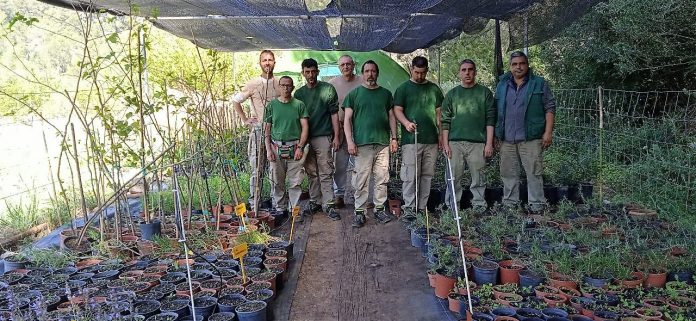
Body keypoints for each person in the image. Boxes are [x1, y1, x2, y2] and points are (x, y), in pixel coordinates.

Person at [494, 51, 556, 213]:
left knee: (534, 173)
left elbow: (550, 108)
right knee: (508, 174)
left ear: (527, 65)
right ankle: (510, 205)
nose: (518, 67)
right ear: (510, 67)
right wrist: (496, 134)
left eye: (521, 63)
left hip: (531, 138)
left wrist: (548, 132)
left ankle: (537, 206)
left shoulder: (539, 83)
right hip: (507, 139)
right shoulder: (502, 84)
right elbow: (496, 110)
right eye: (514, 64)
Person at [343, 60, 398, 228]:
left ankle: (379, 209)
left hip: (382, 143)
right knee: (361, 179)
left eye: (373, 71)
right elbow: (347, 120)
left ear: (377, 73)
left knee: (382, 178)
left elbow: (391, 117)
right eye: (367, 71)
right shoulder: (354, 95)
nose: (370, 74)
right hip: (362, 145)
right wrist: (350, 141)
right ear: (362, 73)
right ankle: (360, 212)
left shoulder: (386, 94)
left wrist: (394, 138)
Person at [393, 56, 444, 220]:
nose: (420, 76)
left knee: (427, 174)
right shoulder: (403, 89)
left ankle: (422, 207)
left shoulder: (434, 89)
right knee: (410, 175)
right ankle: (409, 207)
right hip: (411, 140)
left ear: (427, 70)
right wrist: (406, 123)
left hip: (431, 140)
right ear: (411, 70)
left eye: (423, 73)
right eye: (416, 72)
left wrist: (441, 135)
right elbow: (397, 110)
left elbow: (439, 114)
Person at [442, 59, 495, 213]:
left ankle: (479, 206)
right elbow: (445, 122)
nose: (467, 73)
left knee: (478, 177)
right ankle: (452, 207)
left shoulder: (484, 93)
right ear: (459, 73)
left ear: (475, 72)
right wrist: (445, 144)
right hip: (454, 143)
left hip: (478, 143)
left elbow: (490, 119)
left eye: (470, 69)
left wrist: (489, 143)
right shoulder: (452, 95)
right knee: (453, 178)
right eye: (464, 70)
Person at [231, 50, 280, 211]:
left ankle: (277, 204)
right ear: (260, 63)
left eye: (270, 60)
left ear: (274, 62)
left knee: (275, 168)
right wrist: (245, 119)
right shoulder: (253, 84)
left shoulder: (280, 83)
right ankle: (255, 203)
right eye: (264, 60)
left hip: (277, 132)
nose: (267, 63)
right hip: (259, 130)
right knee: (257, 168)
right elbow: (236, 101)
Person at [294, 58, 341, 221]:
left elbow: (334, 114)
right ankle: (315, 201)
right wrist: (299, 143)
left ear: (318, 72)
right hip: (305, 139)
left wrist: (337, 135)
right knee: (311, 171)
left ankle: (328, 204)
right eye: (307, 72)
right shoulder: (299, 94)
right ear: (303, 73)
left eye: (313, 71)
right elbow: (297, 118)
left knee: (326, 170)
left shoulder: (327, 89)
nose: (311, 75)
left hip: (323, 135)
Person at [263, 76, 309, 216]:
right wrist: (268, 149)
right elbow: (267, 129)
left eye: (288, 85)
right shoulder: (271, 106)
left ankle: (294, 210)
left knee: (295, 182)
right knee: (277, 181)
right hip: (276, 147)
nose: (285, 88)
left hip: (295, 146)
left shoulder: (299, 105)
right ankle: (280, 209)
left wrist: (301, 147)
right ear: (278, 87)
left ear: (292, 87)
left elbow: (305, 127)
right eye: (282, 85)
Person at [329, 55, 363, 208]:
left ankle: (360, 195)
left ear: (353, 65)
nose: (346, 67)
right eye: (343, 65)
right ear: (339, 67)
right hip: (341, 129)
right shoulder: (332, 84)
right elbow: (330, 110)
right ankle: (339, 194)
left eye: (349, 64)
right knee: (339, 164)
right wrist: (334, 132)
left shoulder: (362, 81)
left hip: (360, 129)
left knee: (361, 164)